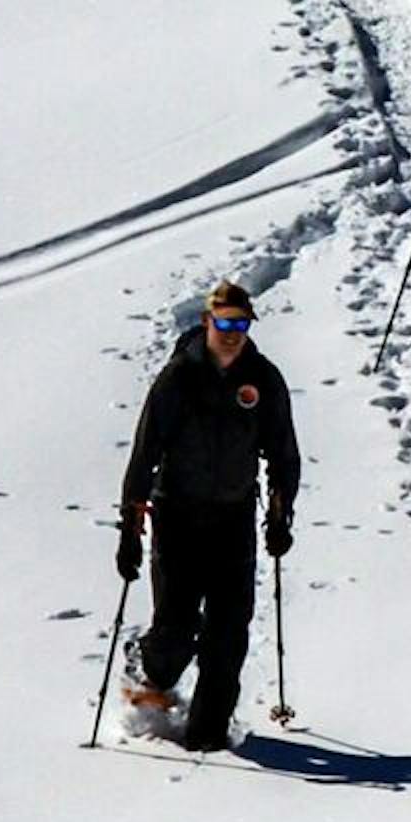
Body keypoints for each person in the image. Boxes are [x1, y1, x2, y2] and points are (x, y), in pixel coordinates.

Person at [116, 280, 300, 748]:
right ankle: (148, 666)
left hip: (233, 520)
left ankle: (208, 737)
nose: (233, 334)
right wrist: (130, 529)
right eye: (225, 324)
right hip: (178, 518)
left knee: (228, 635)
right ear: (207, 322)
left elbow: (283, 453)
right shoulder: (178, 378)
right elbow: (144, 453)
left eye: (242, 325)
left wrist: (280, 515)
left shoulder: (263, 379)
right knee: (176, 629)